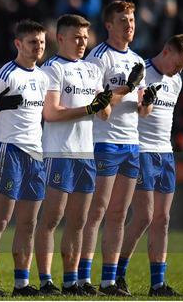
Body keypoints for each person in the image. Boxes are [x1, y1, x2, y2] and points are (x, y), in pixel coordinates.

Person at [34, 15, 112, 296]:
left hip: (85, 153)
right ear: (61, 38)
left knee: (79, 221)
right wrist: (89, 109)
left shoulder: (92, 70)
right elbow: (51, 113)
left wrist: (105, 103)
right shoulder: (52, 69)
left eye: (85, 37)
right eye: (76, 37)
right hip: (58, 152)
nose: (82, 43)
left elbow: (104, 112)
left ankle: (72, 280)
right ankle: (45, 280)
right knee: (52, 219)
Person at [79, 0, 152, 296]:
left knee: (119, 214)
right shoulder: (99, 58)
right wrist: (125, 89)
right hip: (104, 142)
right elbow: (101, 110)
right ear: (109, 25)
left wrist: (146, 101)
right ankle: (83, 278)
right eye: (123, 20)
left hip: (131, 143)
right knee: (96, 211)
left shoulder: (137, 59)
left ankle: (109, 280)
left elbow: (142, 111)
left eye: (132, 20)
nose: (129, 25)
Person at [117, 35, 183, 296]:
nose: (180, 69)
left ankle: (157, 284)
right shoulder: (143, 71)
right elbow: (139, 110)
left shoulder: (177, 80)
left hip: (166, 153)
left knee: (162, 219)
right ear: (166, 50)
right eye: (179, 63)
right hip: (142, 152)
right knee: (143, 217)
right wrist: (145, 102)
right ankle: (117, 273)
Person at [0, 19, 48, 297]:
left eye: (41, 42)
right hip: (9, 152)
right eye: (32, 42)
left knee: (29, 223)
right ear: (18, 44)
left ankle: (22, 283)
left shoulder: (43, 77)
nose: (38, 47)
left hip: (36, 156)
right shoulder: (6, 75)